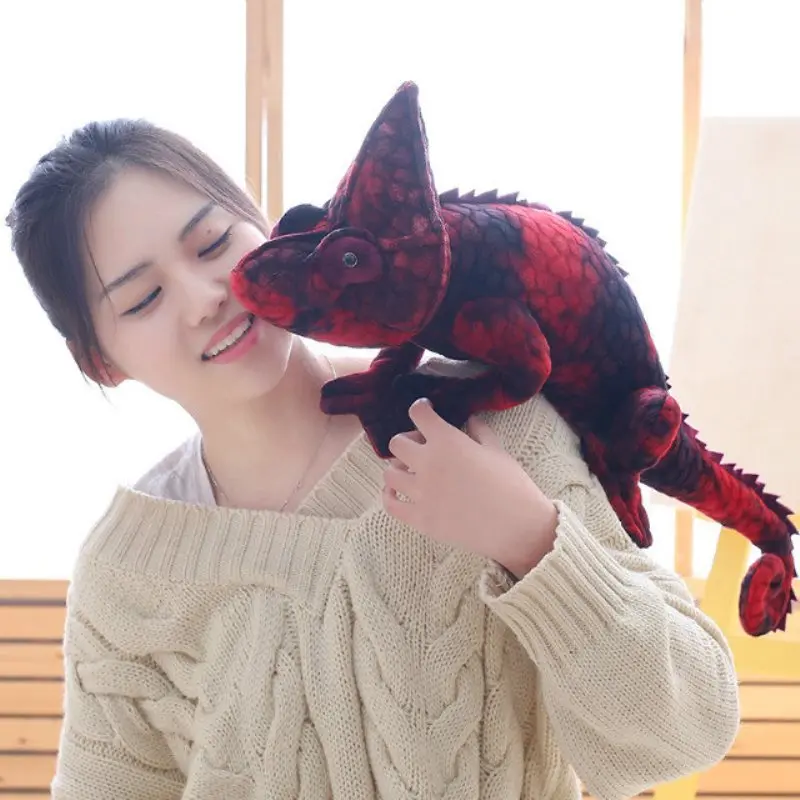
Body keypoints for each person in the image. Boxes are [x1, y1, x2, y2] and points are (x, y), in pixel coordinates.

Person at [6, 118, 740, 800]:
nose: (204, 299)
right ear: (101, 361)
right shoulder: (128, 571)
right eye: (143, 299)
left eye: (212, 244)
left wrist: (531, 539)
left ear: (265, 227)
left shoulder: (489, 421)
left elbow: (689, 728)